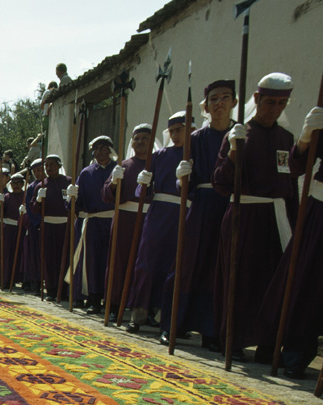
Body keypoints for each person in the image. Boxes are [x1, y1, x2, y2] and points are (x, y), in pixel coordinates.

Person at [212, 73, 297, 361]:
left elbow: (290, 185)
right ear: (257, 99)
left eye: (282, 103)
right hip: (244, 216)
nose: (275, 109)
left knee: (274, 282)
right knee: (240, 280)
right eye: (270, 102)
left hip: (276, 218)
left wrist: (296, 223)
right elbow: (221, 183)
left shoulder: (287, 138)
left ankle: (268, 344)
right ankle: (233, 340)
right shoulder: (237, 135)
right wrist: (234, 153)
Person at [160, 79, 237, 350]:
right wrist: (183, 179)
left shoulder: (241, 134)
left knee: (220, 269)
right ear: (205, 106)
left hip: (231, 206)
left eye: (225, 98)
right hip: (203, 206)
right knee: (187, 264)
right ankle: (172, 325)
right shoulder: (195, 139)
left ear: (234, 102)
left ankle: (212, 332)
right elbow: (187, 184)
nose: (219, 104)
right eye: (214, 99)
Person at [256, 103, 323, 378]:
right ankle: (294, 353)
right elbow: (294, 166)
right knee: (306, 283)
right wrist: (306, 138)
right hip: (320, 208)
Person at [125, 113, 187, 333]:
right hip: (160, 213)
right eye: (173, 131)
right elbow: (145, 191)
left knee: (175, 266)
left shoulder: (197, 152)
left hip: (186, 213)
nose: (177, 135)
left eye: (182, 130)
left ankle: (167, 319)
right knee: (147, 263)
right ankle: (138, 313)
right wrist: (143, 185)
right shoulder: (160, 156)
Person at [102, 123, 152, 316]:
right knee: (119, 261)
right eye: (136, 139)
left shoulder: (156, 162)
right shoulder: (123, 166)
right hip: (124, 219)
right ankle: (115, 304)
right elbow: (106, 195)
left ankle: (142, 307)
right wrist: (114, 182)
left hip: (150, 219)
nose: (140, 142)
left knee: (145, 264)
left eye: (144, 138)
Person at [71, 136, 117, 312]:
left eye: (104, 148)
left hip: (113, 220)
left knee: (112, 261)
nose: (100, 152)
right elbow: (77, 204)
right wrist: (72, 197)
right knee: (93, 262)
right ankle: (94, 299)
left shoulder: (118, 169)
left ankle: (112, 302)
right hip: (93, 222)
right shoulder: (86, 173)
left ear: (110, 150)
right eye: (96, 149)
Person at [36, 154, 72, 298]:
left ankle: (64, 290)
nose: (49, 168)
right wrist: (38, 199)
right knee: (49, 258)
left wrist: (73, 197)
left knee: (65, 257)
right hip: (48, 225)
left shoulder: (68, 182)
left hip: (65, 225)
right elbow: (34, 209)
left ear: (59, 165)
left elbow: (76, 205)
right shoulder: (41, 185)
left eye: (52, 165)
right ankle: (51, 289)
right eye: (47, 165)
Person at [21, 159, 46, 290]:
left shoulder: (50, 183)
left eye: (40, 170)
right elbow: (30, 208)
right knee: (34, 254)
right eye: (35, 171)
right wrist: (38, 222)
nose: (37, 173)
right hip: (35, 225)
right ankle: (35, 282)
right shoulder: (31, 187)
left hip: (51, 223)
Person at [0, 173, 27, 289]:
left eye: (19, 183)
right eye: (14, 183)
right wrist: (0, 205)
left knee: (22, 254)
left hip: (22, 229)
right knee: (7, 255)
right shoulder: (6, 197)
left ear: (22, 184)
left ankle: (22, 280)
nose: (16, 186)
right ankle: (6, 279)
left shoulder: (25, 196)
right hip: (9, 229)